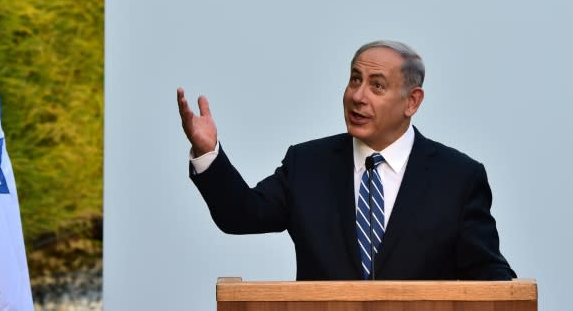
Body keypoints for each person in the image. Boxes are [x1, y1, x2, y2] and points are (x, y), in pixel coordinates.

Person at [177, 40, 515, 280]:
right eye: (355, 79)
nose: (357, 96)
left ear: (412, 101)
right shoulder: (308, 164)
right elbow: (241, 215)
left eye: (376, 86)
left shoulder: (457, 178)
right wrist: (209, 152)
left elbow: (489, 274)